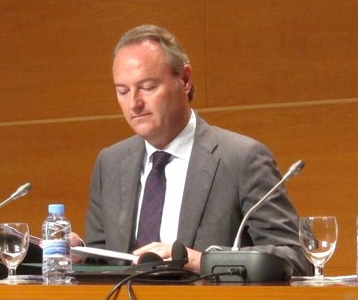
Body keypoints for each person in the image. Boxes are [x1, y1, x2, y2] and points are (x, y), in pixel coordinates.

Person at [81, 24, 311, 275]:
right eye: (122, 91)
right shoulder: (110, 163)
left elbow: (296, 258)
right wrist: (77, 253)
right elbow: (103, 263)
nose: (134, 104)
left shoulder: (241, 159)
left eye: (147, 87)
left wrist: (203, 261)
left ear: (185, 80)